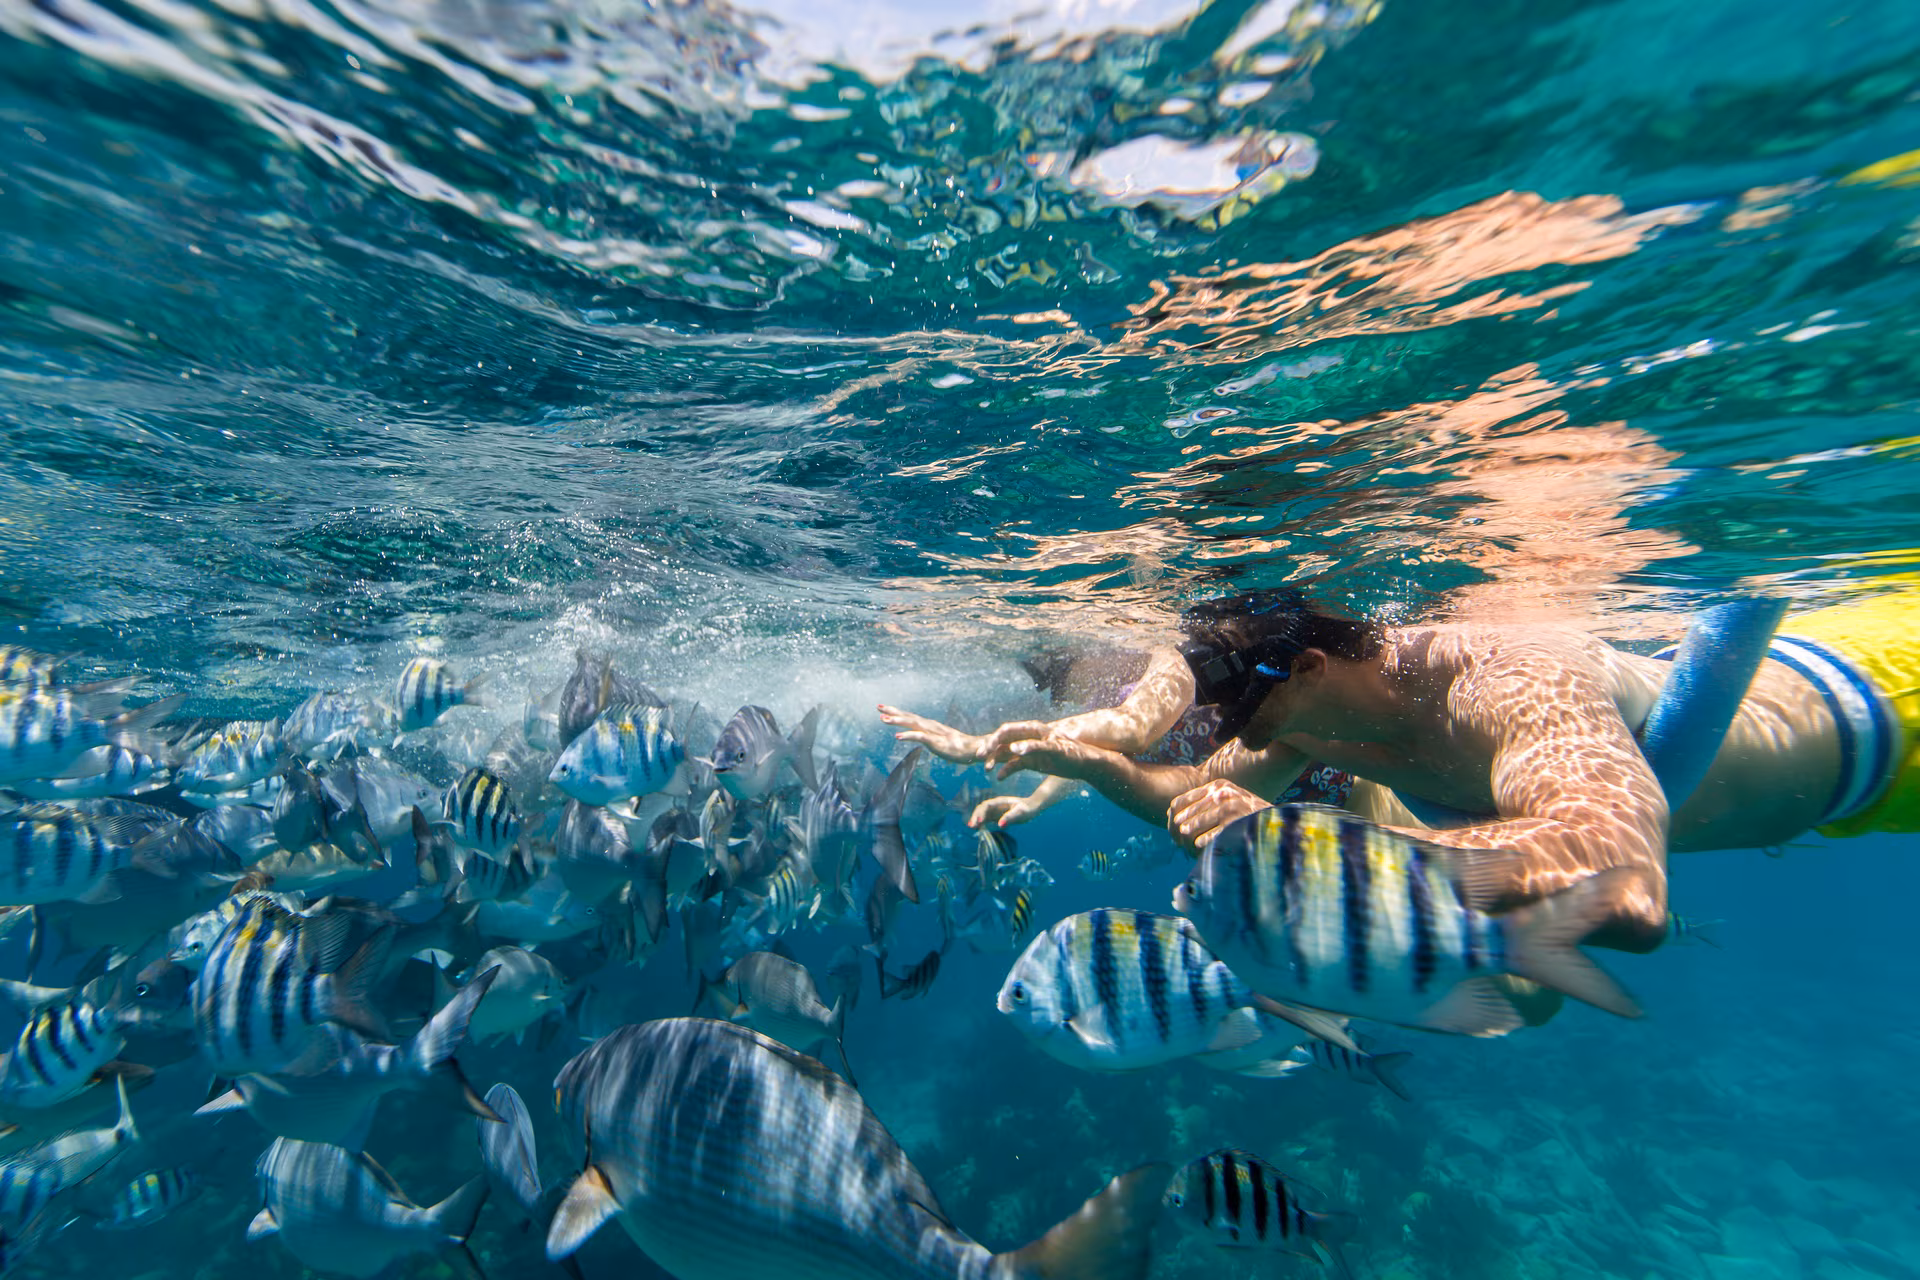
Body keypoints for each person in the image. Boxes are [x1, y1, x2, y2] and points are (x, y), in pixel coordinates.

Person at [976, 588, 1917, 954]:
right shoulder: (1309, 726)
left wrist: (1321, 849)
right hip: (1845, 778)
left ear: (1307, 664)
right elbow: (1199, 794)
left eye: (1240, 714)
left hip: (1891, 705)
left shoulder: (1512, 676)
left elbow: (1624, 885)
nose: (1238, 740)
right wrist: (1098, 769)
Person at [878, 644, 1355, 829]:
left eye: (1061, 673)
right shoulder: (1111, 693)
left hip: (1346, 798)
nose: (1062, 692)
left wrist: (979, 744)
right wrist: (1036, 802)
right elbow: (1095, 748)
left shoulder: (1170, 658)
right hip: (1274, 814)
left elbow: (1133, 728)